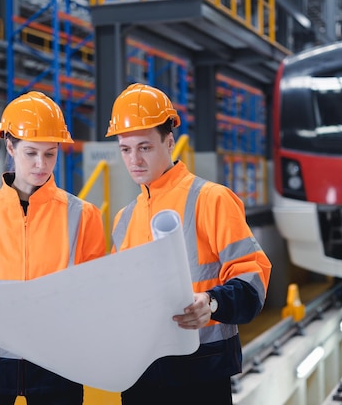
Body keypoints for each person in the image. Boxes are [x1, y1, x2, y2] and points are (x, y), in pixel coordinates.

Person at [106, 83, 272, 405]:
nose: (134, 160)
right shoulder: (124, 219)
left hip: (200, 372)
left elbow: (253, 282)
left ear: (169, 142)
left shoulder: (211, 199)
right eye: (125, 149)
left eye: (145, 147)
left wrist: (210, 303)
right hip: (140, 372)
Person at [0, 91, 105, 405]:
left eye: (50, 153)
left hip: (56, 361)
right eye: (31, 152)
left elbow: (95, 287)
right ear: (11, 147)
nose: (41, 165)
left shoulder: (82, 215)